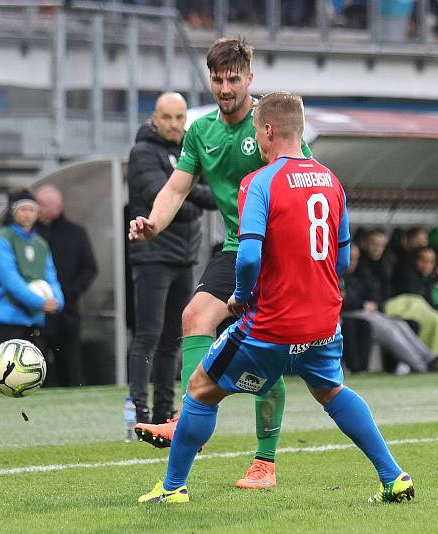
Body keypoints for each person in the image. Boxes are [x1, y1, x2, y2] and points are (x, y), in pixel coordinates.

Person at [138, 92, 413, 504]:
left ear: (268, 130)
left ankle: (173, 489)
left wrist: (241, 297)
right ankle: (394, 478)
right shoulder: (331, 181)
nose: (257, 140)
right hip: (322, 322)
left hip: (272, 324)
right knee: (331, 391)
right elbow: (341, 258)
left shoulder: (259, 182)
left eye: (257, 132)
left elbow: (247, 256)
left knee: (200, 389)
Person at [129, 37, 313, 490]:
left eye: (233, 78)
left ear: (250, 78)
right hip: (238, 247)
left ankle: (264, 463)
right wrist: (154, 224)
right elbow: (176, 189)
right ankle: (189, 416)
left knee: (266, 357)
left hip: (277, 253)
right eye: (217, 78)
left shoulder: (268, 127)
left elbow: (302, 181)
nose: (225, 87)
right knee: (194, 315)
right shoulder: (201, 131)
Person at [126, 92, 216, 424]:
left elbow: (208, 194)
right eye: (168, 118)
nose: (175, 124)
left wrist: (181, 193)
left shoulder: (189, 151)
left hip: (185, 255)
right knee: (148, 334)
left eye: (180, 118)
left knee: (171, 339)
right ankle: (137, 410)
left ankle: (164, 411)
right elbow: (159, 197)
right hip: (152, 254)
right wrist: (186, 198)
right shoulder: (142, 153)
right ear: (155, 118)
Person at [344, 244, 438, 373]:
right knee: (390, 330)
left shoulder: (355, 278)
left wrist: (370, 302)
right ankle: (421, 366)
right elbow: (338, 302)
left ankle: (432, 359)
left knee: (401, 325)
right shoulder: (333, 277)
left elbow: (370, 293)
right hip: (347, 314)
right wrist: (362, 304)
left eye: (355, 259)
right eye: (349, 258)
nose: (352, 263)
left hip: (364, 311)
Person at [34, 184, 97, 387]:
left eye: (42, 205)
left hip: (67, 310)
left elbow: (89, 268)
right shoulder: (31, 235)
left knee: (70, 362)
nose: (38, 209)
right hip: (37, 310)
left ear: (57, 206)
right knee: (37, 362)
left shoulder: (76, 233)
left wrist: (69, 293)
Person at [0, 190, 64, 350]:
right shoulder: (1, 240)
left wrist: (57, 301)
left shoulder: (40, 244)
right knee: (9, 372)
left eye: (31, 209)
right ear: (13, 211)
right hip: (9, 317)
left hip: (35, 318)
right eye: (23, 209)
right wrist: (40, 302)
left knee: (34, 372)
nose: (27, 214)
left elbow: (51, 276)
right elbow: (10, 280)